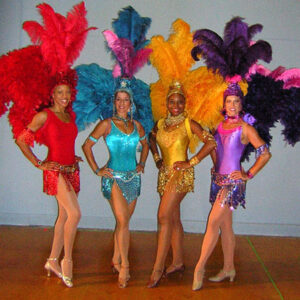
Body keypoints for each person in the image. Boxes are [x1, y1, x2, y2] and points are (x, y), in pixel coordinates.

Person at [192, 83, 271, 291]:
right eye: (229, 101)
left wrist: (248, 174)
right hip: (217, 182)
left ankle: (199, 268)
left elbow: (265, 153)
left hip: (233, 184)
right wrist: (215, 165)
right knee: (226, 227)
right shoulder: (218, 126)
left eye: (236, 101)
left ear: (241, 104)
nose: (233, 105)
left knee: (212, 223)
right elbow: (214, 148)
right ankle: (229, 268)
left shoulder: (245, 128)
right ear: (224, 105)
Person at [147, 81, 217, 288]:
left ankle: (157, 268)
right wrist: (157, 159)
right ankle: (177, 261)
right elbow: (151, 139)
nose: (175, 105)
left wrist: (191, 162)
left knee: (163, 216)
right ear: (167, 103)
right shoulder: (160, 124)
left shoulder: (189, 123)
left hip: (181, 176)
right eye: (172, 101)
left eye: (179, 102)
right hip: (164, 175)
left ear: (184, 104)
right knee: (173, 218)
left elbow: (211, 142)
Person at [82, 82, 149, 288]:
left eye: (125, 100)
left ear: (131, 103)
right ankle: (125, 266)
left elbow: (146, 145)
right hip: (113, 178)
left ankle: (115, 258)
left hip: (133, 179)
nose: (121, 103)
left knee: (123, 223)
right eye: (118, 100)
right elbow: (86, 146)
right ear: (114, 103)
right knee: (123, 222)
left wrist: (142, 163)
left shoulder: (137, 125)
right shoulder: (107, 124)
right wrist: (97, 169)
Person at [16, 83, 82, 288]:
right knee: (75, 214)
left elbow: (65, 141)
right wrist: (38, 163)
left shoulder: (69, 116)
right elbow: (21, 140)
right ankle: (67, 261)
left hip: (72, 170)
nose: (64, 96)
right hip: (55, 172)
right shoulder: (45, 116)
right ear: (52, 95)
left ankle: (52, 260)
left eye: (68, 92)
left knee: (64, 216)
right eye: (60, 92)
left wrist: (73, 156)